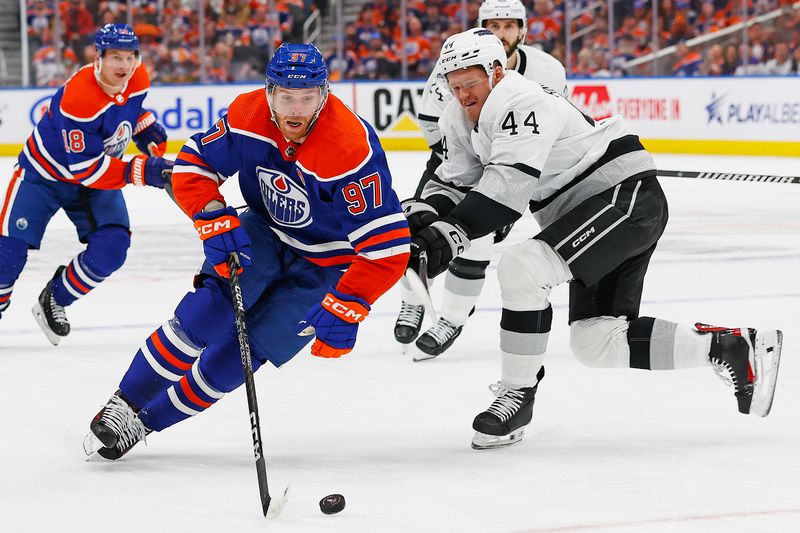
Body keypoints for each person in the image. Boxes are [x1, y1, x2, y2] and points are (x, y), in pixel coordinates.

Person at [407, 28, 783, 450]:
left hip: (623, 198)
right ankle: (732, 346)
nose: (462, 94)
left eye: (470, 82)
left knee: (522, 266)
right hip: (584, 211)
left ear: (496, 72)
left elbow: (504, 191)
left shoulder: (521, 99)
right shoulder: (458, 118)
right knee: (595, 341)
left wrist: (447, 236)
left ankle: (517, 395)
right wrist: (421, 214)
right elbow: (454, 182)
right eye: (454, 85)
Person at [84, 43, 411, 460]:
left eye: (307, 96)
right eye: (286, 96)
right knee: (207, 311)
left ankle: (147, 423)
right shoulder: (248, 114)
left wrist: (350, 302)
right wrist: (213, 215)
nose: (296, 109)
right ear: (269, 92)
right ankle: (125, 404)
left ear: (324, 94)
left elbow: (387, 245)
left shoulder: (349, 145)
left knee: (243, 355)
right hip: (263, 232)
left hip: (329, 263)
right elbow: (193, 165)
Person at [395, 0, 568, 360]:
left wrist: (501, 193)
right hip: (455, 158)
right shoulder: (455, 65)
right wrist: (467, 162)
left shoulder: (549, 70)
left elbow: (549, 132)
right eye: (493, 25)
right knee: (419, 229)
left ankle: (452, 319)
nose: (501, 33)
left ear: (523, 30)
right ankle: (412, 300)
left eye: (509, 25)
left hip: (512, 166)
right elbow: (433, 121)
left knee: (477, 243)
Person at [0, 23, 172, 345]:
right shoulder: (79, 97)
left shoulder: (138, 78)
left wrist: (144, 128)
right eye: (115, 57)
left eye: (129, 57)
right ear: (99, 57)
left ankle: (54, 299)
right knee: (6, 256)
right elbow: (87, 170)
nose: (123, 66)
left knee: (112, 248)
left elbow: (128, 109)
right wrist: (143, 170)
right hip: (44, 175)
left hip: (95, 175)